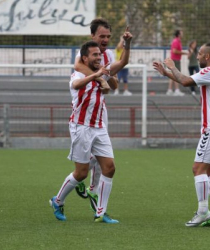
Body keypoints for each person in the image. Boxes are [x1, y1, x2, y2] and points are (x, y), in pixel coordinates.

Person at [153, 43, 210, 227]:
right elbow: (185, 79)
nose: (196, 56)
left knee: (198, 169)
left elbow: (185, 81)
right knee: (209, 170)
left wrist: (172, 67)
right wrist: (167, 74)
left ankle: (203, 212)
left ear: (207, 57)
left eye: (199, 54)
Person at [50, 41, 122, 223]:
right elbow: (76, 85)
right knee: (81, 173)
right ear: (84, 58)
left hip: (99, 127)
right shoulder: (79, 74)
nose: (98, 57)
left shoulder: (101, 75)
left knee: (109, 167)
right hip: (81, 127)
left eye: (99, 54)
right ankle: (57, 201)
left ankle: (101, 212)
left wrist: (106, 76)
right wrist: (97, 75)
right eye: (94, 55)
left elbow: (113, 86)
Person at [70, 19, 132, 220]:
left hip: (100, 113)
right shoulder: (86, 53)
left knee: (104, 161)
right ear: (92, 37)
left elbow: (113, 81)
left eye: (108, 37)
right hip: (84, 115)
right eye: (101, 36)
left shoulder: (110, 55)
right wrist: (99, 77)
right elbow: (77, 65)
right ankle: (81, 187)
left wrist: (108, 79)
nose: (105, 40)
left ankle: (94, 194)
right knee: (88, 165)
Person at [167, 30, 186, 96]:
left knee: (173, 75)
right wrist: (184, 53)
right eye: (181, 33)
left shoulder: (178, 41)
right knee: (177, 75)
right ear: (178, 34)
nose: (182, 34)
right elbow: (174, 51)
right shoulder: (176, 41)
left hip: (175, 60)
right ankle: (176, 90)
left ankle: (170, 90)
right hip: (175, 60)